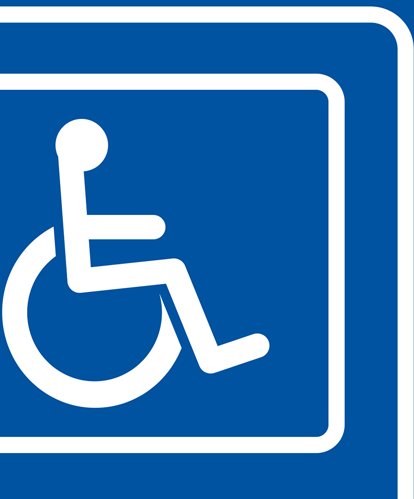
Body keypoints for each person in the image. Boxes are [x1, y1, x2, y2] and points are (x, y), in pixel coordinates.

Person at [53, 118, 269, 373]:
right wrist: (149, 226)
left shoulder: (70, 177)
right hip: (85, 274)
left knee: (172, 269)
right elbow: (83, 229)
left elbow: (86, 227)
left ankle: (210, 353)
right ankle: (210, 356)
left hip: (86, 268)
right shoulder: (71, 180)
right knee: (173, 270)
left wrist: (149, 228)